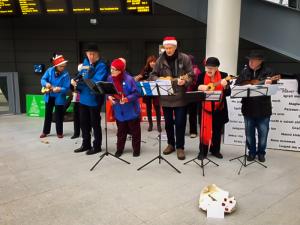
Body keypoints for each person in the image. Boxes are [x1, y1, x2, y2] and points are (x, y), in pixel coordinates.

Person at [150, 36, 194, 160]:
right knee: (168, 124)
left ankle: (180, 147)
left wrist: (185, 82)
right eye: (166, 48)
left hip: (180, 97)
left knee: (180, 123)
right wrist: (159, 80)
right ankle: (171, 144)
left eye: (170, 48)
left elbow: (191, 75)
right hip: (166, 97)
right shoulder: (160, 60)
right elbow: (152, 75)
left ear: (175, 47)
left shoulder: (184, 58)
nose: (168, 50)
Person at [235, 50, 275, 162]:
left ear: (260, 61)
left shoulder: (269, 72)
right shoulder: (244, 71)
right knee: (249, 134)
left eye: (253, 60)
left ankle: (261, 153)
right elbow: (237, 85)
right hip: (248, 108)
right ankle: (251, 152)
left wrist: (270, 84)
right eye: (249, 59)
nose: (250, 62)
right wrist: (245, 85)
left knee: (263, 134)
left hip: (263, 109)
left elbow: (274, 88)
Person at [72, 43, 108, 155]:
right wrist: (75, 82)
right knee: (83, 122)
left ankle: (97, 146)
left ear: (97, 54)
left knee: (95, 124)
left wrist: (87, 74)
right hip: (83, 98)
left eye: (93, 54)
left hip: (94, 99)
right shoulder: (85, 63)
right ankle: (85, 144)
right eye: (89, 54)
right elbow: (81, 77)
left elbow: (94, 83)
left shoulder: (102, 65)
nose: (90, 56)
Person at [197, 57, 231, 159]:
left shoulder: (224, 76)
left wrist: (225, 87)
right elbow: (196, 88)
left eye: (211, 68)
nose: (209, 70)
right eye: (207, 67)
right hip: (204, 109)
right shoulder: (201, 75)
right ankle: (203, 151)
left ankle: (215, 150)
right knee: (204, 130)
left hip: (219, 108)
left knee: (217, 131)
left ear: (217, 68)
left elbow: (228, 93)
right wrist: (201, 87)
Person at [107, 58, 141, 157]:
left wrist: (127, 99)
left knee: (135, 132)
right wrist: (108, 97)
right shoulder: (110, 78)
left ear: (120, 70)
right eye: (111, 69)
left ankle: (136, 150)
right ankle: (119, 149)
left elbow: (137, 93)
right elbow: (107, 91)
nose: (112, 71)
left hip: (131, 111)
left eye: (114, 69)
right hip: (119, 111)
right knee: (121, 132)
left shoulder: (129, 79)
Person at [40, 54, 70, 139]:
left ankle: (59, 132)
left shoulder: (66, 74)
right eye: (61, 66)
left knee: (59, 115)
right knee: (48, 114)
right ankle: (45, 131)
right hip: (49, 95)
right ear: (56, 65)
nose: (63, 68)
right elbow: (42, 79)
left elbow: (67, 87)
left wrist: (60, 89)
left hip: (59, 97)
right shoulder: (49, 71)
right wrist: (46, 83)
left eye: (64, 66)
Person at [135, 55, 162, 132]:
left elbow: (161, 79)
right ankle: (150, 125)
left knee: (157, 108)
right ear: (148, 62)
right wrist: (141, 80)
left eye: (154, 61)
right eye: (151, 62)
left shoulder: (158, 69)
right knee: (148, 108)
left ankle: (159, 125)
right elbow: (140, 77)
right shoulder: (145, 69)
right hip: (147, 91)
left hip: (156, 91)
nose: (152, 63)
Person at [187, 55, 201, 138]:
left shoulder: (196, 70)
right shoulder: (184, 69)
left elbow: (196, 83)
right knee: (182, 114)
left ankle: (193, 131)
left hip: (192, 95)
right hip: (183, 94)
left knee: (192, 114)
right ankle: (180, 131)